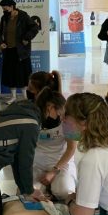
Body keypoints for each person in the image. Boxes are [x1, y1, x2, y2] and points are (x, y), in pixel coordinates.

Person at [27, 71, 77, 201]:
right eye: (59, 113)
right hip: (38, 164)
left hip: (61, 164)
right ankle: (47, 189)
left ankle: (54, 187)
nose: (62, 116)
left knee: (64, 191)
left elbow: (71, 148)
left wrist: (54, 171)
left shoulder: (68, 118)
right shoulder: (33, 116)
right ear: (48, 108)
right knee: (29, 193)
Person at [0, 0, 40, 104]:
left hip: (21, 51)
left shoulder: (23, 16)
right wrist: (1, 42)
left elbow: (35, 27)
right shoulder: (4, 18)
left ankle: (25, 97)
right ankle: (13, 96)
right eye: (3, 9)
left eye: (5, 9)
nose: (4, 11)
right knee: (11, 74)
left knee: (23, 74)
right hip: (9, 50)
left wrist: (26, 38)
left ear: (12, 7)